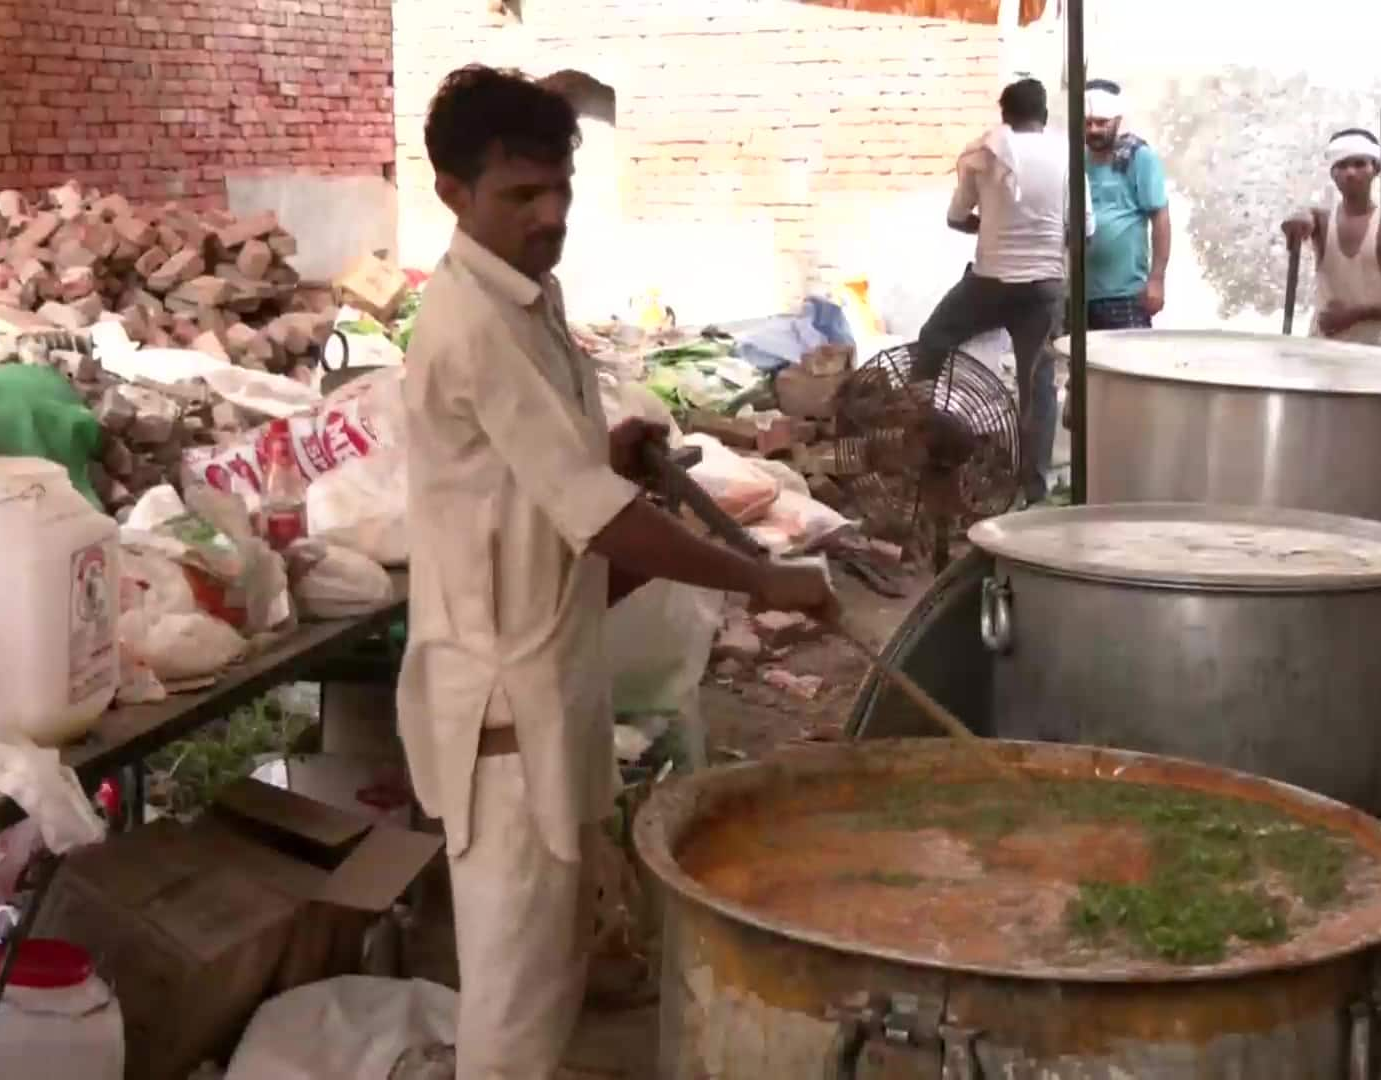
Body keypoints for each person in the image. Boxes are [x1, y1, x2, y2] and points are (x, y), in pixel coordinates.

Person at [396, 66, 839, 1079]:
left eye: (560, 190)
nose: (550, 216)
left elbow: (548, 485)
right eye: (520, 196)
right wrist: (757, 576)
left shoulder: (529, 298)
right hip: (503, 708)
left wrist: (611, 451)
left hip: (553, 681)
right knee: (513, 1007)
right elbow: (599, 525)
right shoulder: (469, 324)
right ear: (453, 195)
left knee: (548, 973)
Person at [914, 77, 1087, 505]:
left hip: (989, 282)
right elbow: (1085, 230)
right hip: (1044, 288)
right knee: (1039, 385)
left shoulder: (984, 154)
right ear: (1044, 117)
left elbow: (956, 218)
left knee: (934, 338)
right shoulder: (1068, 156)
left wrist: (989, 224)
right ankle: (1033, 490)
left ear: (1004, 116)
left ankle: (914, 430)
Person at [1279, 128, 1381, 346]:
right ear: (1333, 173)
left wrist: (1353, 314)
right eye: (1342, 165)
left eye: (1359, 164)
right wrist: (1298, 218)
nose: (1350, 173)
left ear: (1375, 169)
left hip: (1370, 353)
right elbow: (1304, 215)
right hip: (1318, 349)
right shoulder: (1319, 221)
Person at [1081, 79, 1170, 330]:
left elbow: (1160, 216)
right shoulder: (1075, 161)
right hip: (1078, 295)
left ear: (1117, 121)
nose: (1094, 130)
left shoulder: (1137, 157)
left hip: (1125, 295)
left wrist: (1156, 279)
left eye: (1101, 122)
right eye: (1087, 124)